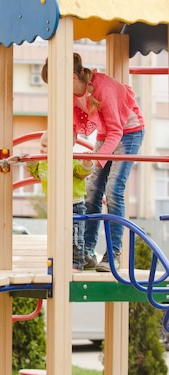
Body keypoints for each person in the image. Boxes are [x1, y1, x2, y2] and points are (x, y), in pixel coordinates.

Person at [42, 53, 145, 272]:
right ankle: (88, 251)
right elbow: (71, 129)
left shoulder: (103, 88)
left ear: (70, 77)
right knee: (92, 190)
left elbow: (117, 130)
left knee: (113, 189)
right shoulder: (70, 95)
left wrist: (96, 162)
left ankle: (113, 253)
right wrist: (61, 156)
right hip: (106, 134)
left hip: (129, 133)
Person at [25, 131, 94, 271]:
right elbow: (37, 174)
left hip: (73, 205)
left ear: (58, 147)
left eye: (45, 146)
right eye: (41, 145)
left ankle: (77, 263)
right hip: (55, 206)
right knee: (58, 236)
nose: (41, 149)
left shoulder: (71, 161)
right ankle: (61, 261)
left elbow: (81, 171)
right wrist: (31, 163)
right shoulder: (43, 163)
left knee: (75, 236)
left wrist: (87, 164)